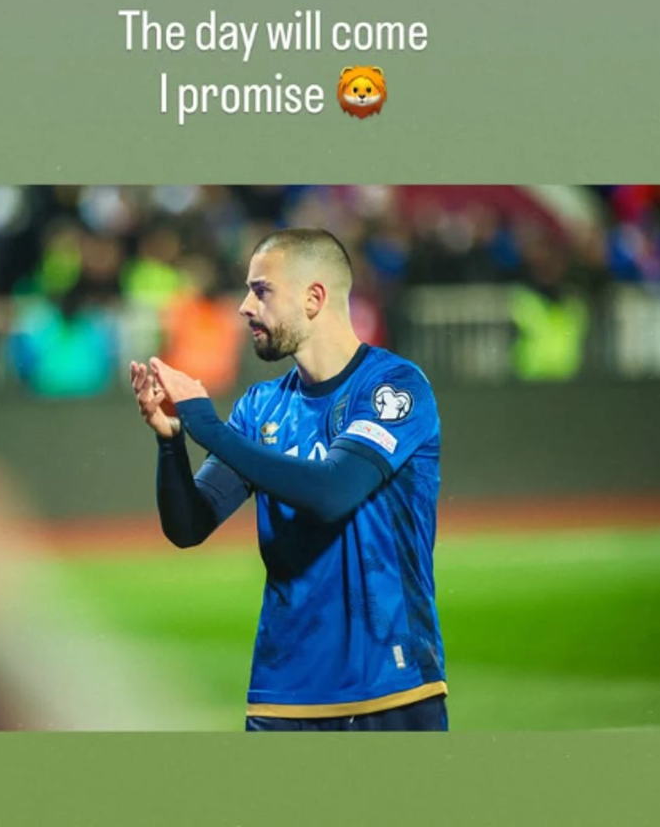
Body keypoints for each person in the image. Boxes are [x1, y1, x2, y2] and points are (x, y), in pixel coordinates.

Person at [130, 228, 448, 731]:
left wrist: (206, 426)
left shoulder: (393, 387)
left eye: (261, 291)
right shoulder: (260, 408)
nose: (244, 307)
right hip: (283, 695)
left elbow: (333, 491)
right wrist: (172, 442)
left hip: (392, 687)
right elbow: (188, 526)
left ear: (313, 298)